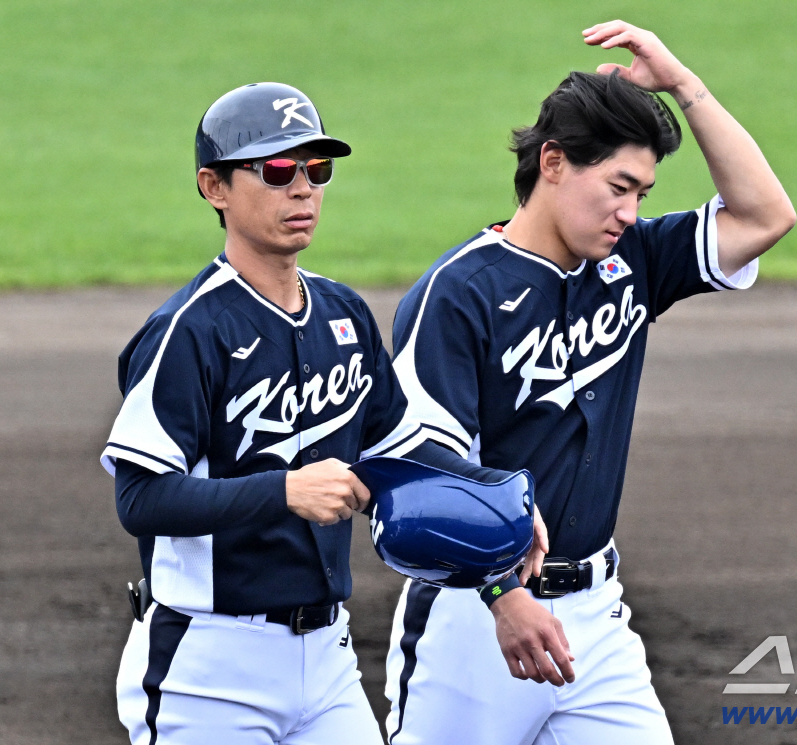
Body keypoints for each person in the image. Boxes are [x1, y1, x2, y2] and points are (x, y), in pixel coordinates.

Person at [374, 21, 796, 744]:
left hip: (597, 619)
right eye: (618, 187)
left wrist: (685, 88)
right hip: (476, 627)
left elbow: (765, 215)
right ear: (554, 162)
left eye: (643, 192)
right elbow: (418, 470)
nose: (630, 213)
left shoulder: (632, 258)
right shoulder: (458, 294)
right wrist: (504, 592)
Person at [99, 82, 521, 745]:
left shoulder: (343, 313)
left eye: (315, 169)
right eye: (275, 170)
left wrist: (500, 509)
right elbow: (140, 497)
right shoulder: (188, 331)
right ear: (214, 187)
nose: (302, 189)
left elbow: (403, 451)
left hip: (328, 664)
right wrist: (286, 490)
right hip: (208, 672)